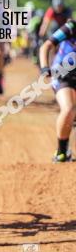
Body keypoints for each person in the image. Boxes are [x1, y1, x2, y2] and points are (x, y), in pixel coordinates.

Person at [39, 18, 76, 162]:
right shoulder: (71, 27)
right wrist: (44, 67)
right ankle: (61, 152)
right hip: (62, 73)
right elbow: (46, 46)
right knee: (68, 108)